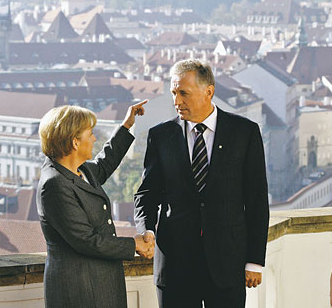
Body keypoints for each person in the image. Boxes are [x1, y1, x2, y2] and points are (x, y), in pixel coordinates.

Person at [134, 59, 270, 307]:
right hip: (175, 267)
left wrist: (254, 261)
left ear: (209, 91)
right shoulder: (161, 136)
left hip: (227, 265)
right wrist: (146, 230)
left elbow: (257, 201)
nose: (177, 101)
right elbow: (147, 193)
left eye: (183, 93)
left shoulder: (245, 133)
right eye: (174, 93)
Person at [37, 102, 153, 308]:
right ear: (74, 142)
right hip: (78, 289)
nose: (94, 139)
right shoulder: (54, 184)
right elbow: (86, 240)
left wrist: (126, 126)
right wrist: (134, 244)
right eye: (90, 133)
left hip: (101, 283)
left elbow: (105, 163)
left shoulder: (81, 170)